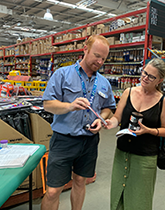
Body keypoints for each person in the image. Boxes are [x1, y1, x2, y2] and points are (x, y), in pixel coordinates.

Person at [41, 34, 116, 210]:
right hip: (64, 140)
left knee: (81, 181)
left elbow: (108, 108)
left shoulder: (104, 83)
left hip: (89, 141)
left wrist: (101, 119)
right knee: (53, 191)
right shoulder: (62, 74)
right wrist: (70, 106)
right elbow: (47, 105)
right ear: (85, 49)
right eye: (97, 55)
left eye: (103, 59)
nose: (99, 61)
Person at [105, 58, 165, 210]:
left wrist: (148, 131)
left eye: (151, 77)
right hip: (122, 154)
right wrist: (111, 123)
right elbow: (117, 117)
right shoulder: (128, 92)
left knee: (140, 199)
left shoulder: (163, 101)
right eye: (144, 73)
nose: (145, 78)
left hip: (145, 158)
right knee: (118, 197)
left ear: (159, 80)